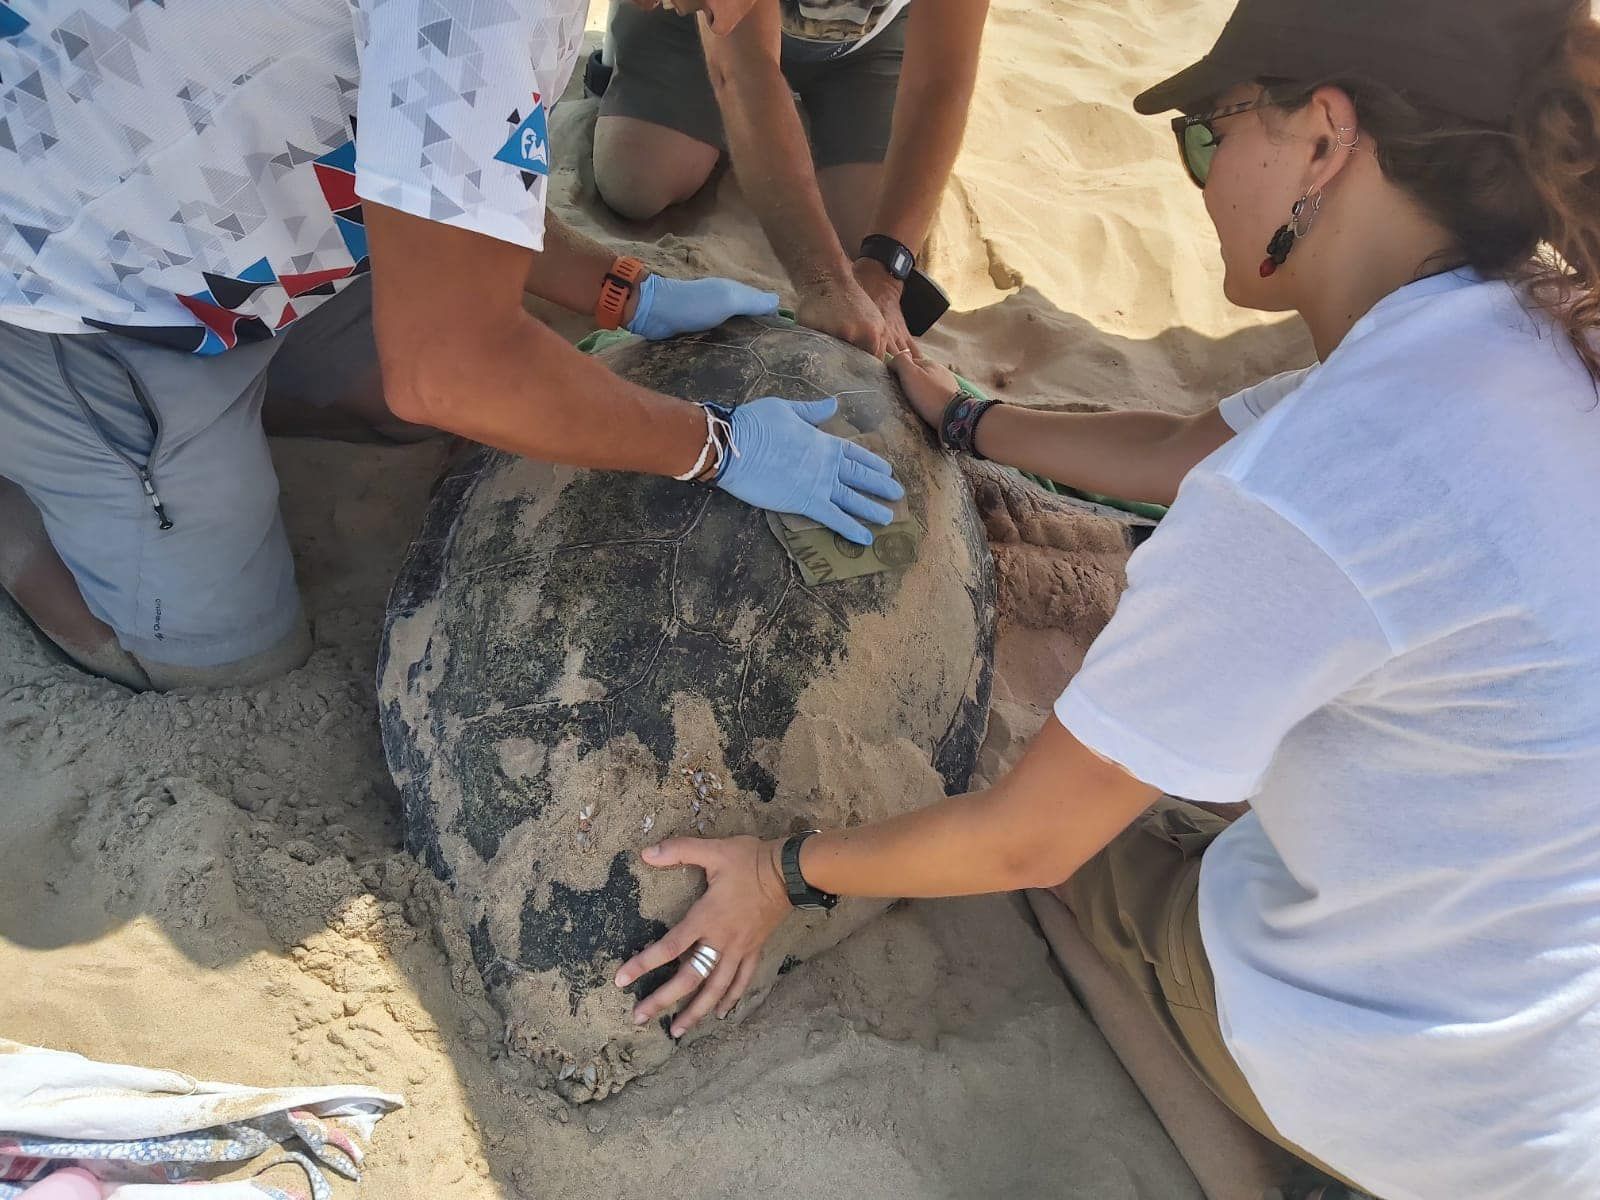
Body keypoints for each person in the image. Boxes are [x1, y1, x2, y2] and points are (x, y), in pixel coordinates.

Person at [608, 1, 1600, 1195]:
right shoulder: (1530, 335)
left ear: (1323, 143)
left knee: (1070, 855)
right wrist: (966, 417)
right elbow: (1190, 442)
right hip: (1557, 1053)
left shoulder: (1302, 495)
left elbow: (1026, 841)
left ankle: (1256, 1155)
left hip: (1427, 1107)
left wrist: (782, 875)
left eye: (1207, 134)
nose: (1196, 172)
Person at [0, 0, 902, 691]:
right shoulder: (487, 13)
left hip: (228, 235)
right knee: (220, 667)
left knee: (412, 409)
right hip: (66, 293)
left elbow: (432, 165)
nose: (742, 23)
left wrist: (624, 292)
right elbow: (447, 373)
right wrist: (719, 445)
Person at [590, 0, 988, 357]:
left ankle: (782, 133)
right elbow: (743, 71)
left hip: (865, 40)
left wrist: (885, 270)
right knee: (637, 181)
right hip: (708, 19)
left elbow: (942, 79)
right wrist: (824, 280)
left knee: (873, 233)